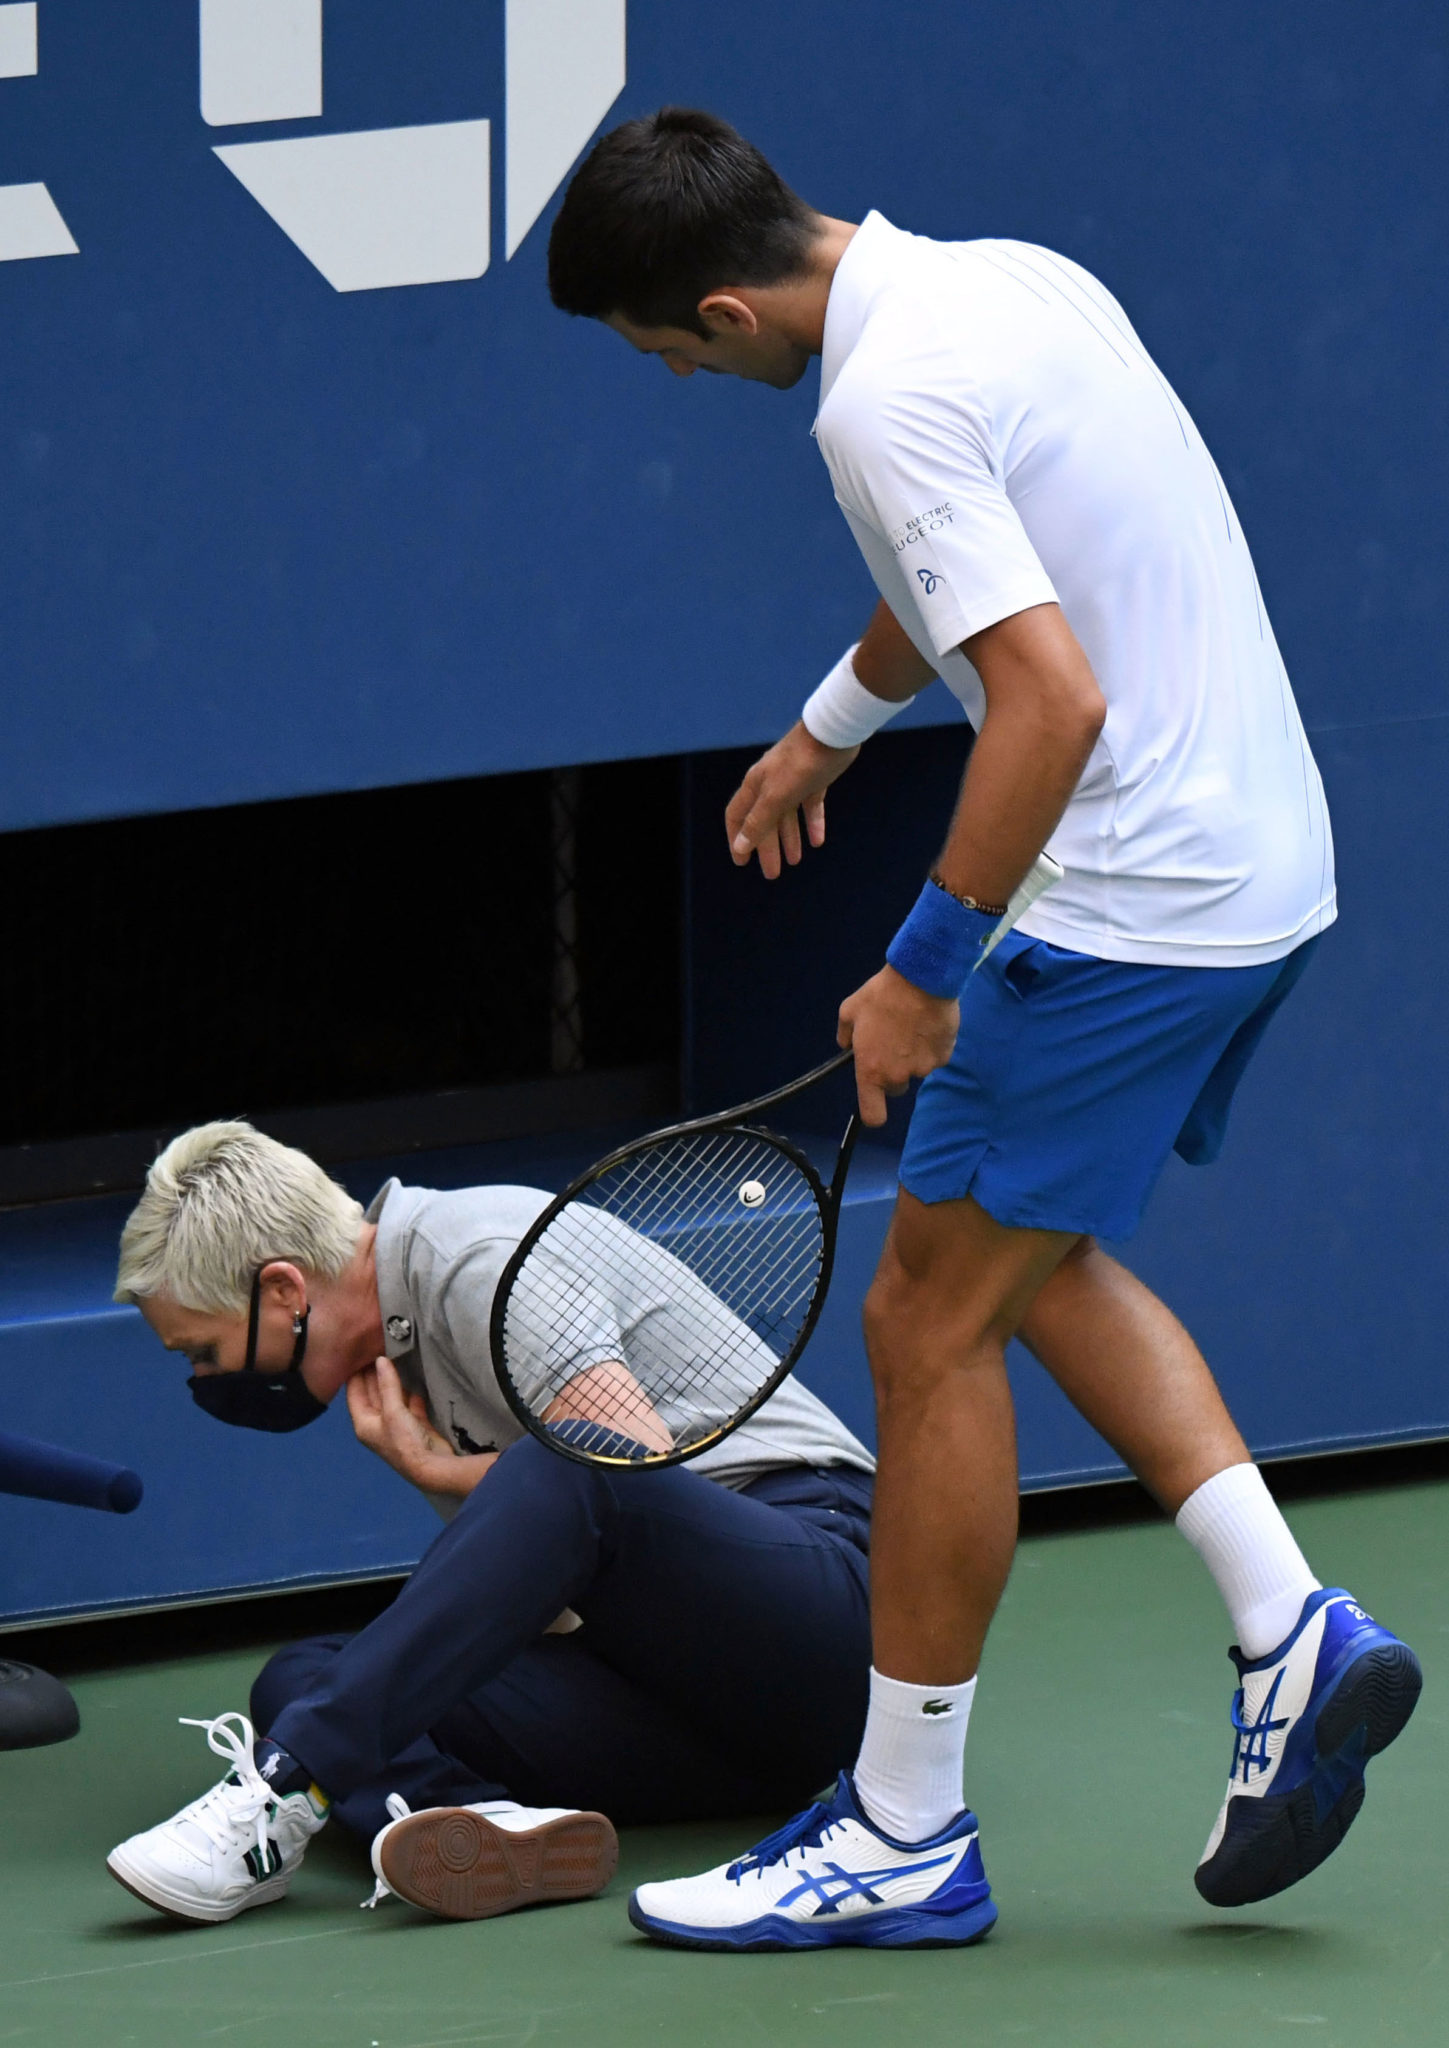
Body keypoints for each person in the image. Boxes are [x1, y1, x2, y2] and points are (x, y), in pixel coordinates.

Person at [545, 107, 1421, 1950]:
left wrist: (921, 967)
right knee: (1020, 1253)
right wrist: (826, 726)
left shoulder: (869, 407)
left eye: (669, 357)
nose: (689, 382)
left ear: (718, 306)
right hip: (1262, 862)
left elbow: (1045, 697)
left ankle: (900, 1825)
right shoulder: (1001, 283)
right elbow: (961, 572)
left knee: (921, 1318)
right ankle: (1288, 1625)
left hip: (1128, 893)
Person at [105, 1120, 874, 1926]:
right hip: (720, 1728)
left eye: (204, 1351)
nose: (204, 1379)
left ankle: (288, 1785)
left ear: (286, 1291)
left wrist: (439, 1473)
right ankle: (474, 1827)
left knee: (573, 1464)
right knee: (302, 1676)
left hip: (823, 1607)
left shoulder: (478, 1257)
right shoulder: (395, 1342)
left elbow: (626, 1476)